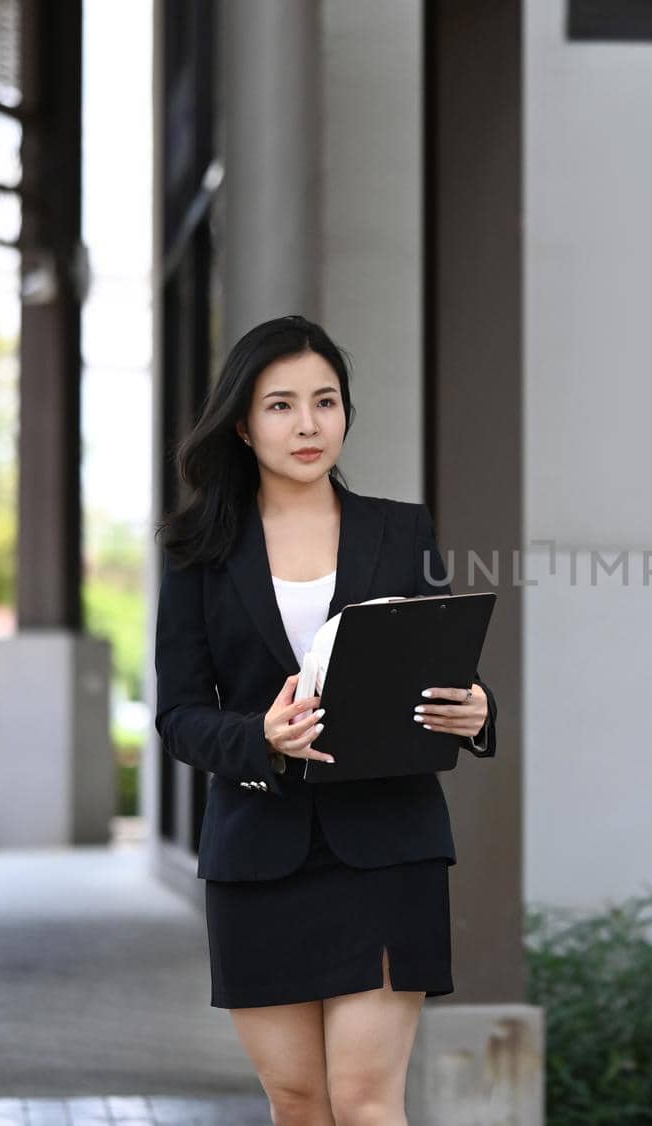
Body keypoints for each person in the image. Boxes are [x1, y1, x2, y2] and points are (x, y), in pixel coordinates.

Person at [152, 313, 497, 1125]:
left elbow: (441, 656)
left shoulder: (399, 529)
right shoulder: (197, 551)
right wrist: (259, 739)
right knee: (300, 1102)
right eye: (281, 405)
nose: (308, 425)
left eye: (326, 401)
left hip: (387, 847)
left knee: (368, 1101)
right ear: (242, 422)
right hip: (256, 855)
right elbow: (178, 715)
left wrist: (476, 708)